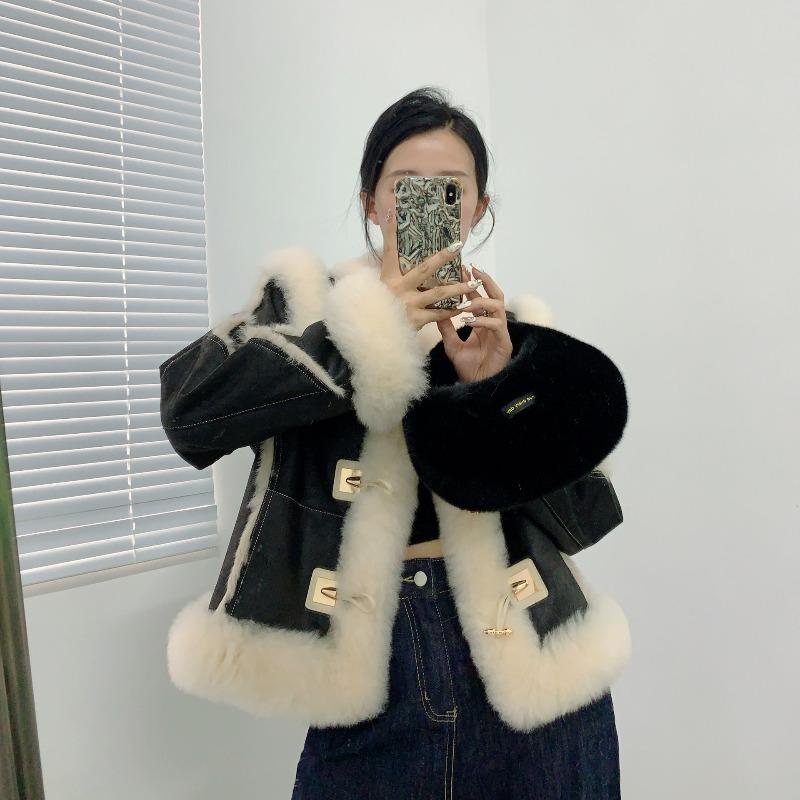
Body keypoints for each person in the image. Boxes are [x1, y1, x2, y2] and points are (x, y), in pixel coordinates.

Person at [163, 87, 630, 799]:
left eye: (450, 190)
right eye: (405, 187)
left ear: (477, 208)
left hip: (535, 675)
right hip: (375, 675)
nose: (427, 204)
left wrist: (498, 389)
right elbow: (190, 414)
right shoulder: (305, 304)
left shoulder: (511, 330)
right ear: (373, 203)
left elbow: (584, 520)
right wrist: (364, 332)